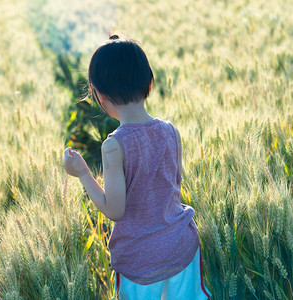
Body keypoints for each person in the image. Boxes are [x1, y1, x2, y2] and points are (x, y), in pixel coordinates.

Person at [63, 34, 211, 300]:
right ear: (149, 82)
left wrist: (83, 173)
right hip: (181, 246)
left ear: (101, 94)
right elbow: (171, 186)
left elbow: (115, 210)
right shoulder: (171, 131)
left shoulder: (114, 146)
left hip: (140, 260)